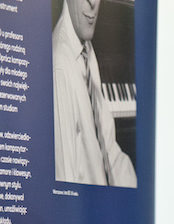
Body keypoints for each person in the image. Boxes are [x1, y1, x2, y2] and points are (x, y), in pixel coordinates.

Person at [52, 0, 137, 187]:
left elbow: (108, 149)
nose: (93, 3)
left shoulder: (85, 47)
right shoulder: (60, 68)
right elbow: (66, 186)